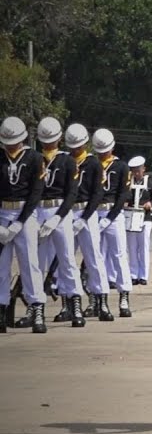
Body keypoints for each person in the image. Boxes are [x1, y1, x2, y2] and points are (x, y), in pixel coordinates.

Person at [34, 117, 85, 327]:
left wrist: (58, 216)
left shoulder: (67, 161)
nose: (48, 143)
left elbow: (72, 193)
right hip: (38, 210)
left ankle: (75, 305)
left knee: (67, 260)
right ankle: (35, 307)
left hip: (60, 210)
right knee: (36, 262)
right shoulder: (35, 159)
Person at [1, 117, 48, 334]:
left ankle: (37, 307)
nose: (10, 145)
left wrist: (20, 222)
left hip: (25, 213)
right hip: (2, 213)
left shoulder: (35, 158)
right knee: (1, 266)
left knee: (30, 264)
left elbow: (36, 192)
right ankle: (1, 310)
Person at [67, 123, 114, 321]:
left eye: (79, 146)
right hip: (68, 212)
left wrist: (85, 217)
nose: (76, 149)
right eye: (73, 146)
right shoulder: (66, 161)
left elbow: (97, 193)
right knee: (66, 259)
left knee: (94, 258)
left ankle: (101, 301)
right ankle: (70, 302)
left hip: (87, 211)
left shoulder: (93, 163)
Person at [93, 129, 134, 317]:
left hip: (113, 212)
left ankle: (124, 295)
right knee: (96, 256)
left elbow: (123, 194)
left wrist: (110, 217)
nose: (102, 153)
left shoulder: (121, 167)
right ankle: (98, 297)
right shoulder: (92, 164)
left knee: (119, 255)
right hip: (94, 212)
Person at [125, 156, 152, 286]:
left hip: (145, 218)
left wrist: (150, 203)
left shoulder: (151, 183)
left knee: (143, 247)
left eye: (139, 170)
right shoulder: (128, 184)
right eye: (134, 170)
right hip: (131, 217)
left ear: (144, 169)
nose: (137, 173)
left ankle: (143, 275)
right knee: (132, 247)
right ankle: (133, 274)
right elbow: (125, 197)